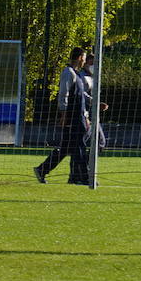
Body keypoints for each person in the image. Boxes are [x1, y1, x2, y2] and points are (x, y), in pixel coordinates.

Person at [34, 47, 88, 183]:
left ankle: (42, 170)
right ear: (80, 57)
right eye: (85, 58)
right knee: (79, 146)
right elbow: (63, 94)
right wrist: (64, 114)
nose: (85, 61)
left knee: (66, 148)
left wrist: (95, 102)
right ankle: (83, 177)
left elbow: (82, 95)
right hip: (72, 117)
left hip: (78, 116)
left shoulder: (77, 74)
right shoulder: (68, 73)